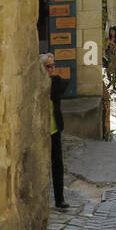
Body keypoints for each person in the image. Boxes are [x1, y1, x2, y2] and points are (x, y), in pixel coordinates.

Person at [42, 53, 70, 209]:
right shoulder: (39, 85)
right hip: (41, 133)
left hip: (54, 129)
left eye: (53, 65)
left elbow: (63, 87)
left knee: (57, 163)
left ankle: (59, 199)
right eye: (48, 66)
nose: (52, 69)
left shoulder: (55, 82)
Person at [103, 25, 116, 93]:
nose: (112, 33)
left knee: (114, 71)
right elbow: (105, 48)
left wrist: (113, 43)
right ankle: (110, 81)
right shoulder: (107, 39)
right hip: (108, 57)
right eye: (111, 31)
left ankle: (114, 85)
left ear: (115, 32)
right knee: (108, 70)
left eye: (113, 31)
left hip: (115, 57)